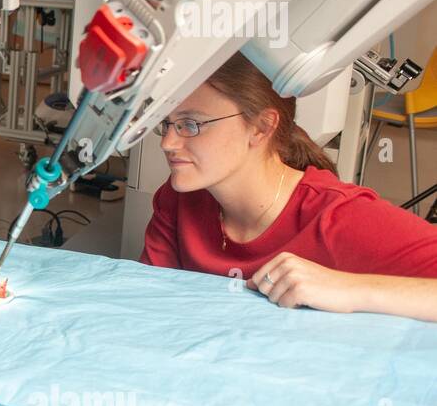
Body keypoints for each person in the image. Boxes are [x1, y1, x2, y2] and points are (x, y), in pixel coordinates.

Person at [141, 53, 437, 321]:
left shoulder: (335, 217)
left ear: (261, 127)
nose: (168, 143)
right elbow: (147, 301)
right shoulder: (180, 198)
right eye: (166, 124)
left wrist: (351, 288)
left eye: (191, 124)